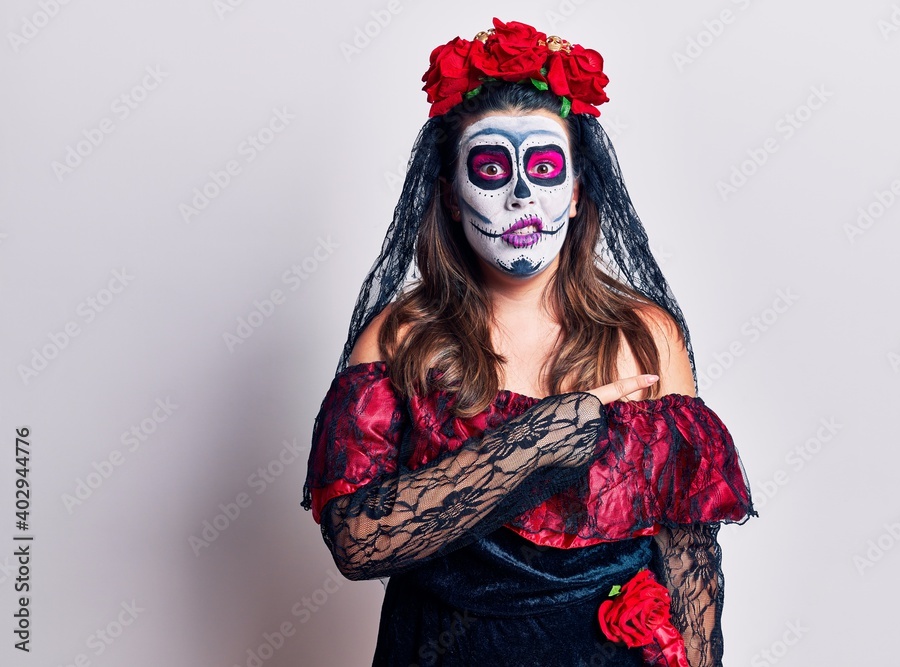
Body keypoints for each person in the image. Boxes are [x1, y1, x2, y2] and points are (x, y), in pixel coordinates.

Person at [302, 18, 757, 667]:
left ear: (575, 193)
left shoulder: (644, 337)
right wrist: (543, 437)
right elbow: (357, 542)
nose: (521, 196)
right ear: (452, 197)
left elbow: (690, 553)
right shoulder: (401, 339)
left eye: (543, 168)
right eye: (491, 168)